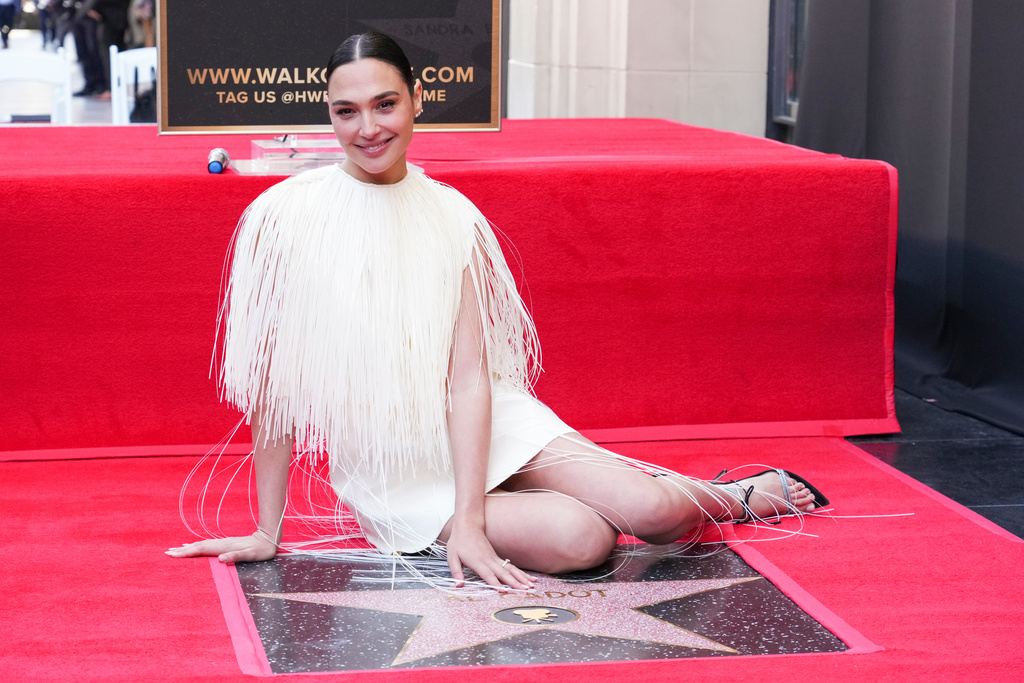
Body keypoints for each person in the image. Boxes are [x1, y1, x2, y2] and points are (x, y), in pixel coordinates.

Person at [167, 32, 825, 591]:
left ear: (417, 102)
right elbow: (274, 392)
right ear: (330, 116)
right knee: (581, 539)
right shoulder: (283, 217)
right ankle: (604, 495)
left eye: (385, 104)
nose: (368, 128)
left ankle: (736, 494)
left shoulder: (453, 216)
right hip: (398, 472)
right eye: (348, 111)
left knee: (651, 508)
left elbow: (469, 380)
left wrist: (477, 520)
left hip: (492, 424)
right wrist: (266, 529)